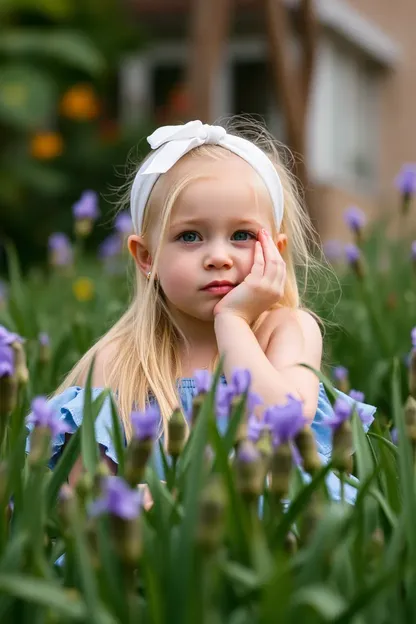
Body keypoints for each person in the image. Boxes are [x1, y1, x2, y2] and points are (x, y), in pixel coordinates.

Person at [28, 118, 375, 501]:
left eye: (241, 235)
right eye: (189, 236)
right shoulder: (123, 361)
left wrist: (234, 322)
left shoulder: (288, 329)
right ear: (146, 257)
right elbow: (80, 494)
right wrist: (152, 503)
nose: (218, 257)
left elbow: (285, 422)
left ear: (275, 251)